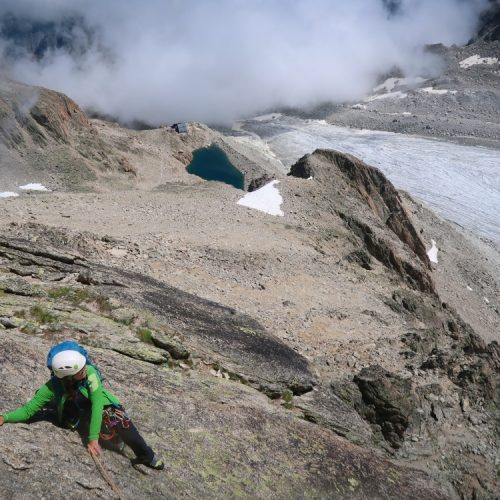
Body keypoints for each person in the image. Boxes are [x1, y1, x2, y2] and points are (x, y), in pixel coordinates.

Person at [0, 342, 164, 470]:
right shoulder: (52, 387)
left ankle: (146, 455)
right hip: (75, 412)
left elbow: (98, 403)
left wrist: (92, 439)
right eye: (81, 369)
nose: (86, 368)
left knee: (118, 419)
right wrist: (5, 417)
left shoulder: (90, 374)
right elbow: (29, 410)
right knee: (53, 405)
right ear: (68, 376)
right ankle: (110, 436)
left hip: (95, 405)